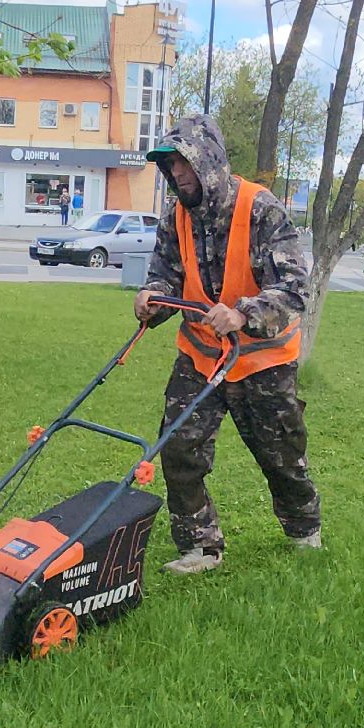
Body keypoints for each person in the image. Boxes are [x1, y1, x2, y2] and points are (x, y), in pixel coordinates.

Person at [132, 114, 320, 574]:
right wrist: (152, 299)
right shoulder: (174, 216)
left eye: (184, 165)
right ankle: (201, 547)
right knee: (179, 449)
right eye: (170, 166)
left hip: (263, 362)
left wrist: (243, 313)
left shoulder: (261, 209)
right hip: (200, 357)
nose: (177, 175)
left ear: (210, 162)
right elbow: (166, 275)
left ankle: (304, 532)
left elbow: (296, 287)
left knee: (282, 457)